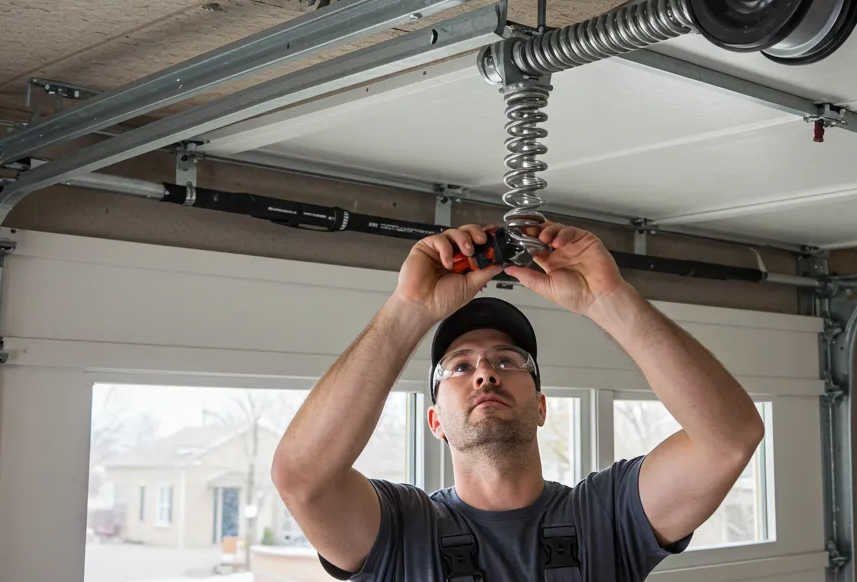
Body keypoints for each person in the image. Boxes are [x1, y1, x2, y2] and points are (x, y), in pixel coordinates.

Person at [271, 221, 766, 581]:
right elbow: (303, 479)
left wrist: (609, 299)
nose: (485, 372)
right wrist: (409, 309)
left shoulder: (608, 516)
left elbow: (729, 439)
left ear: (543, 406)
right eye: (460, 367)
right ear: (434, 420)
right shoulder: (401, 531)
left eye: (508, 361)